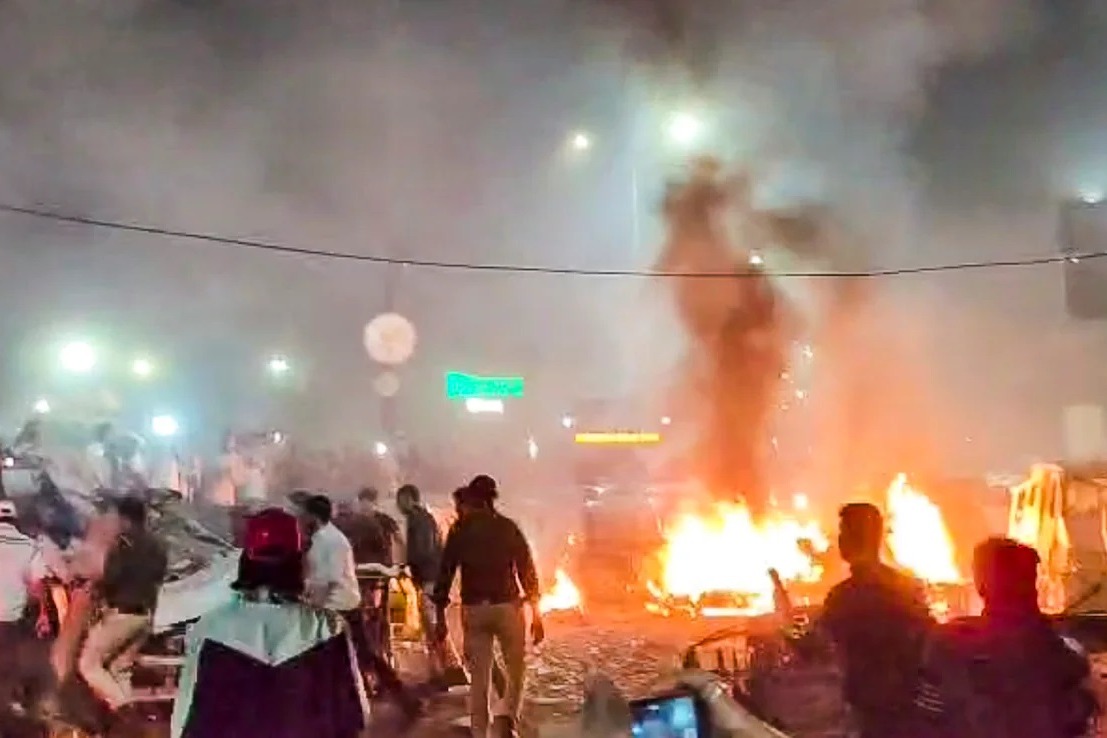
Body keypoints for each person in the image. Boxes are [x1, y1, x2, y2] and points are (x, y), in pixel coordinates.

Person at [170, 508, 369, 738]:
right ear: (298, 564)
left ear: (245, 563)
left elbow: (183, 721)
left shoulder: (210, 628)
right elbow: (356, 716)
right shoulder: (329, 628)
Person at [923, 537, 1096, 738]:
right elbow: (1079, 715)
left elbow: (929, 719)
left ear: (980, 586)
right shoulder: (1061, 653)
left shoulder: (946, 641)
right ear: (1031, 586)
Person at [433, 475, 544, 738]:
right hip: (507, 608)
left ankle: (479, 732)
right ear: (493, 499)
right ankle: (508, 718)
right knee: (516, 672)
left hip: (474, 610)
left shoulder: (460, 530)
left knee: (479, 680)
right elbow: (526, 570)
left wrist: (440, 618)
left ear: (472, 499)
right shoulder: (508, 527)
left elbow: (445, 574)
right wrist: (537, 614)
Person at [813, 502, 934, 738]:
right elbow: (927, 639)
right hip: (907, 705)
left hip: (873, 708)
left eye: (842, 532)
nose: (838, 541)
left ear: (853, 538)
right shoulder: (906, 586)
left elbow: (821, 647)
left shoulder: (844, 596)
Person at [298, 494, 421, 719]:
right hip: (337, 605)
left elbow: (329, 580)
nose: (300, 518)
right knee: (360, 656)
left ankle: (402, 700)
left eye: (303, 514)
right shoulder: (322, 538)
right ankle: (402, 700)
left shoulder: (329, 541)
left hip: (339, 607)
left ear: (313, 516)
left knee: (356, 656)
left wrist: (312, 607)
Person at [77, 495, 168, 714]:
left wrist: (94, 589)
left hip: (122, 615)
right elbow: (158, 577)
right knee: (120, 669)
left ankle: (123, 707)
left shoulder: (124, 544)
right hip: (145, 616)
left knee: (88, 664)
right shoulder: (158, 546)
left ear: (125, 519)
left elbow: (111, 577)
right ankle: (128, 721)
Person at [396, 483, 464, 688]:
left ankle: (451, 670)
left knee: (434, 625)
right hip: (431, 578)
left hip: (429, 579)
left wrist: (407, 566)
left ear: (409, 499)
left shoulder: (419, 519)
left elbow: (423, 551)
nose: (398, 505)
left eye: (400, 500)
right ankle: (440, 671)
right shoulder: (423, 518)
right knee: (432, 625)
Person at [0, 500, 54, 724]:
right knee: (8, 665)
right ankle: (10, 708)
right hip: (10, 617)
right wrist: (43, 614)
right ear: (15, 520)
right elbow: (37, 583)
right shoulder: (29, 546)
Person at [334, 487, 400, 663]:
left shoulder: (333, 526)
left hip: (356, 580)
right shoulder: (370, 523)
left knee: (363, 617)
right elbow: (386, 549)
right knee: (374, 617)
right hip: (370, 578)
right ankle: (378, 653)